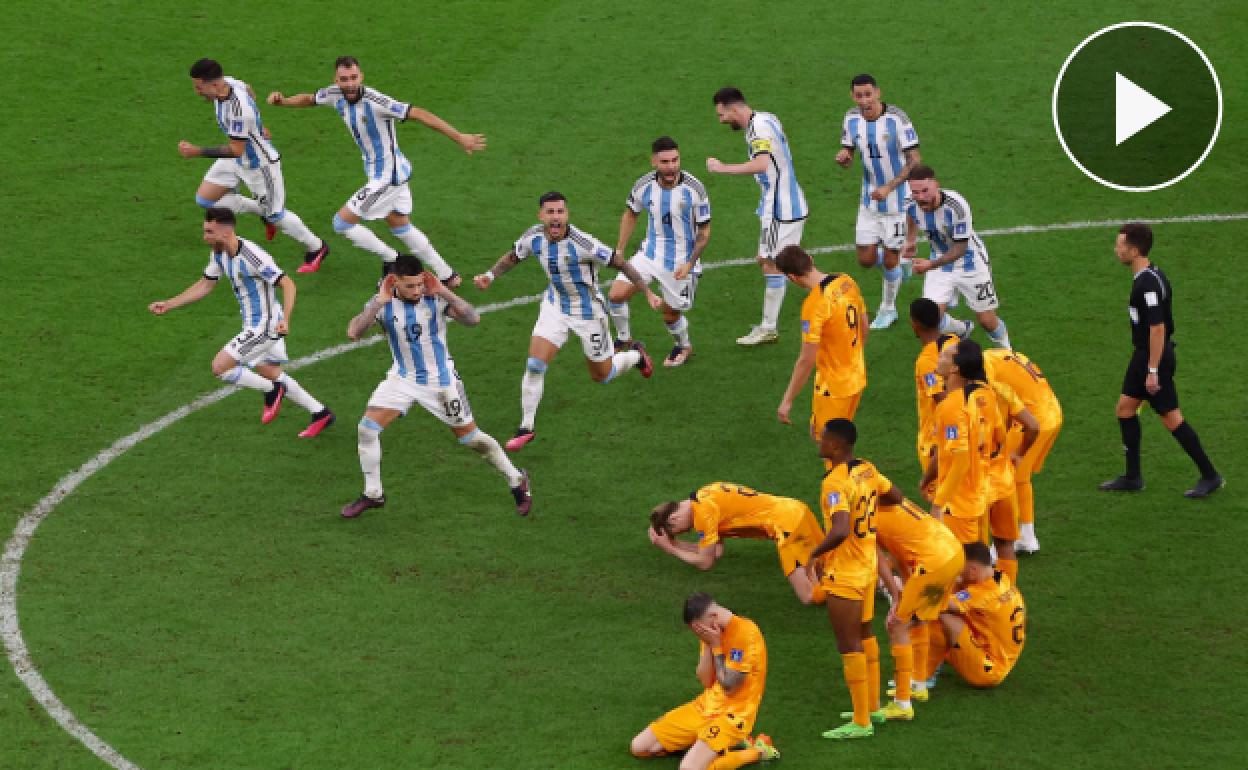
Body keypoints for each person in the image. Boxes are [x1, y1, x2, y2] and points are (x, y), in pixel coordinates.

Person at [340, 255, 532, 519]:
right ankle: (373, 493)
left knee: (471, 439)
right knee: (367, 429)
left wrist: (444, 291)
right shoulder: (382, 303)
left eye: (420, 284)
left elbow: (473, 319)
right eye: (410, 286)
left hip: (440, 383)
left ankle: (516, 479)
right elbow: (353, 332)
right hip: (402, 379)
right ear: (394, 282)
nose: (417, 290)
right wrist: (378, 302)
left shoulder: (434, 298)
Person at [266, 56, 485, 281]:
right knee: (399, 225)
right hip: (387, 172)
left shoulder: (377, 101)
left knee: (341, 223)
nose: (350, 84)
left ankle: (392, 259)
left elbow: (419, 114)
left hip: (387, 177)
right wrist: (284, 102)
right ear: (336, 80)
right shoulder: (334, 94)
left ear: (361, 77)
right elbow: (310, 99)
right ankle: (448, 275)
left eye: (354, 78)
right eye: (344, 79)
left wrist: (459, 137)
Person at [473, 191, 657, 451]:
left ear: (567, 215)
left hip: (589, 314)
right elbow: (514, 256)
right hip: (556, 306)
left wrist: (647, 291)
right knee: (535, 364)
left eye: (560, 212)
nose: (556, 217)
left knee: (602, 376)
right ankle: (526, 427)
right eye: (550, 212)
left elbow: (621, 264)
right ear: (541, 215)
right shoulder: (533, 236)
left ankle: (636, 356)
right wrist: (490, 276)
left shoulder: (584, 243)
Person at [148, 208, 334, 436]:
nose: (205, 237)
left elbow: (288, 284)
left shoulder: (252, 257)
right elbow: (206, 284)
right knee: (268, 370)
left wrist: (285, 320)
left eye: (209, 232)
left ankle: (272, 390)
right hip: (254, 323)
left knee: (221, 367)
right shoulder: (219, 253)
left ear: (226, 233)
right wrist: (169, 304)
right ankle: (320, 413)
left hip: (265, 325)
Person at [1100, 223, 1222, 498]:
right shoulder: (1152, 275)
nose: (1116, 249)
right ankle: (1133, 477)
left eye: (1120, 245)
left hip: (1153, 357)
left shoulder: (1147, 284)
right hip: (1144, 355)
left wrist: (1153, 370)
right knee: (1125, 409)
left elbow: (1157, 328)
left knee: (1171, 418)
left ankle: (1210, 475)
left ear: (1134, 250)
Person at [180, 59, 329, 272]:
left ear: (214, 85)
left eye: (199, 87)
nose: (197, 92)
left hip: (259, 166)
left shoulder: (238, 110)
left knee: (276, 215)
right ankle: (262, 211)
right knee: (206, 200)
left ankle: (317, 247)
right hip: (236, 160)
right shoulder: (229, 83)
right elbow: (249, 90)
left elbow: (236, 149)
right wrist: (257, 126)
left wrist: (197, 151)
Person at [807, 418, 903, 740]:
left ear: (835, 445)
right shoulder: (867, 469)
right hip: (867, 567)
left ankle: (862, 722)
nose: (819, 442)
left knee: (848, 644)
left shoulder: (834, 483)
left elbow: (840, 529)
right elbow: (896, 496)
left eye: (824, 438)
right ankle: (872, 707)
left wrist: (814, 555)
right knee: (865, 634)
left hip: (845, 573)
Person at [706, 87, 808, 346]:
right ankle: (772, 324)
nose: (721, 120)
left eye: (722, 115)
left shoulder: (758, 128)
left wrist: (723, 168)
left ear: (733, 109)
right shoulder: (766, 118)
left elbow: (762, 164)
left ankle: (770, 327)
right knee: (768, 260)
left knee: (776, 264)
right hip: (781, 205)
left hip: (781, 210)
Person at [630, 593, 779, 769]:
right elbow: (706, 680)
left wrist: (716, 646)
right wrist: (708, 644)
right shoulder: (710, 633)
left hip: (733, 717)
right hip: (705, 707)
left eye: (699, 630)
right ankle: (707, 745)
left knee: (688, 768)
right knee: (640, 747)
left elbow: (730, 687)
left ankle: (758, 750)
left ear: (713, 616)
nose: (699, 634)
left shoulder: (746, 633)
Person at [609, 136, 712, 367]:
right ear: (654, 161)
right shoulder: (643, 185)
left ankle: (683, 346)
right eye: (665, 162)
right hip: (649, 254)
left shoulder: (694, 189)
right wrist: (620, 250)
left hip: (681, 262)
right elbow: (631, 214)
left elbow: (704, 231)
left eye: (675, 160)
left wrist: (690, 263)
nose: (671, 166)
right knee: (615, 295)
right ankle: (624, 339)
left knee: (670, 314)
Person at [835, 74, 922, 330]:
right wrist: (845, 157)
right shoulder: (851, 118)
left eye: (868, 94)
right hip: (869, 200)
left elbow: (915, 160)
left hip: (896, 203)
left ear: (878, 93)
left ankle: (888, 308)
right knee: (865, 259)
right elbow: (850, 150)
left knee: (890, 260)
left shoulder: (897, 119)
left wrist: (890, 186)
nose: (864, 100)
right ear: (852, 96)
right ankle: (899, 264)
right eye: (858, 95)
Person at [648, 482, 825, 604]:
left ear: (674, 518)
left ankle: (842, 589)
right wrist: (675, 544)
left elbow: (705, 562)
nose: (689, 531)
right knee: (824, 570)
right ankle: (838, 585)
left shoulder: (703, 513)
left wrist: (671, 549)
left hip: (787, 525)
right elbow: (715, 552)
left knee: (808, 596)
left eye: (682, 531)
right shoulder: (706, 493)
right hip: (796, 509)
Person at [902, 165, 1011, 349]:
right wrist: (911, 240)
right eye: (915, 192)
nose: (920, 197)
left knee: (987, 321)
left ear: (936, 185)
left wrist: (930, 265)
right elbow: (911, 215)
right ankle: (961, 330)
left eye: (925, 191)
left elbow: (960, 249)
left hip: (970, 262)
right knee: (931, 319)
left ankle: (1008, 353)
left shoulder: (957, 207)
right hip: (939, 262)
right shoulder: (910, 202)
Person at [875, 496, 964, 718]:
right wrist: (907, 587)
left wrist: (896, 595)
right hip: (953, 553)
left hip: (933, 562)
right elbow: (901, 550)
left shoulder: (864, 517)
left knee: (896, 624)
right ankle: (918, 683)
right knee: (920, 617)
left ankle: (902, 703)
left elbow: (881, 562)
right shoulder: (896, 504)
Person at [966, 339, 1039, 587]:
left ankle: (982, 598)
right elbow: (1033, 426)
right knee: (1005, 543)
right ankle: (1008, 594)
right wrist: (1019, 454)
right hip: (1003, 479)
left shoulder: (960, 401)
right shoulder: (1001, 390)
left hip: (978, 482)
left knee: (976, 548)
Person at [774, 245, 867, 437]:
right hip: (857, 376)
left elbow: (806, 360)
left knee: (829, 443)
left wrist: (787, 400)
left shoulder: (815, 305)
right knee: (842, 436)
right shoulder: (846, 281)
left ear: (792, 277)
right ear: (810, 258)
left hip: (833, 387)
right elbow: (864, 324)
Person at [983, 348, 1063, 553]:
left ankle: (1000, 545)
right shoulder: (997, 354)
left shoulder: (984, 370)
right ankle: (1027, 536)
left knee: (1001, 477)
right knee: (1020, 477)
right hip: (1053, 413)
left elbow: (998, 406)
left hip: (1035, 420)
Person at [925, 542, 1026, 688]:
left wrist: (912, 589)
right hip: (1001, 658)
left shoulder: (982, 594)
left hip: (988, 670)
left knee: (941, 614)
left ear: (973, 570)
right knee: (953, 593)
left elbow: (942, 603)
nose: (959, 574)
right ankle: (939, 656)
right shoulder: (1001, 577)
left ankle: (925, 674)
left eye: (960, 570)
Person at [921, 340, 991, 546]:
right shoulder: (978, 396)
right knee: (979, 558)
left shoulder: (951, 408)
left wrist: (938, 504)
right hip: (977, 493)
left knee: (963, 562)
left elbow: (961, 461)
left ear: (954, 369)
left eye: (944, 355)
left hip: (958, 504)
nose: (939, 357)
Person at [909, 298, 958, 475]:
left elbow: (941, 399)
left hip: (937, 439)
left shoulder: (926, 362)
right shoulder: (954, 341)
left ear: (915, 325)